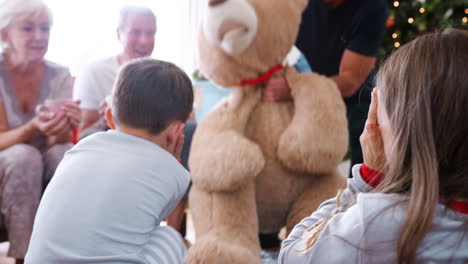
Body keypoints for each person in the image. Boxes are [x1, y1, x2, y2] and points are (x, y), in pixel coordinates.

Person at [279, 29, 468, 263]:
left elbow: (291, 254)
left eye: (381, 116)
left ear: (404, 129)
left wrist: (367, 180)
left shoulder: (374, 223)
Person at [26, 58, 193, 264]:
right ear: (177, 131)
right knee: (169, 238)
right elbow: (150, 220)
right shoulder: (172, 171)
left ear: (110, 118)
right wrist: (172, 162)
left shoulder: (81, 148)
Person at [264, 0, 388, 175]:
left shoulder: (372, 7)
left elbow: (350, 82)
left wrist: (293, 89)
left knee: (368, 144)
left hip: (353, 95)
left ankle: (362, 195)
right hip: (300, 81)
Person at [0, 0, 80, 262]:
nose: (39, 36)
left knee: (65, 153)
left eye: (45, 29)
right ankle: (26, 257)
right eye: (28, 28)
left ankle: (68, 253)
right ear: (5, 34)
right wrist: (32, 128)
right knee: (24, 156)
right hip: (10, 161)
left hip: (41, 158)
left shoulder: (59, 75)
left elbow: (58, 141)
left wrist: (66, 124)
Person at [73, 5, 157, 137]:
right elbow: (83, 134)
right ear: (119, 35)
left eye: (150, 33)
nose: (144, 41)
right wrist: (106, 120)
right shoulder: (95, 72)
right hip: (112, 147)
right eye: (135, 32)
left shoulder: (164, 75)